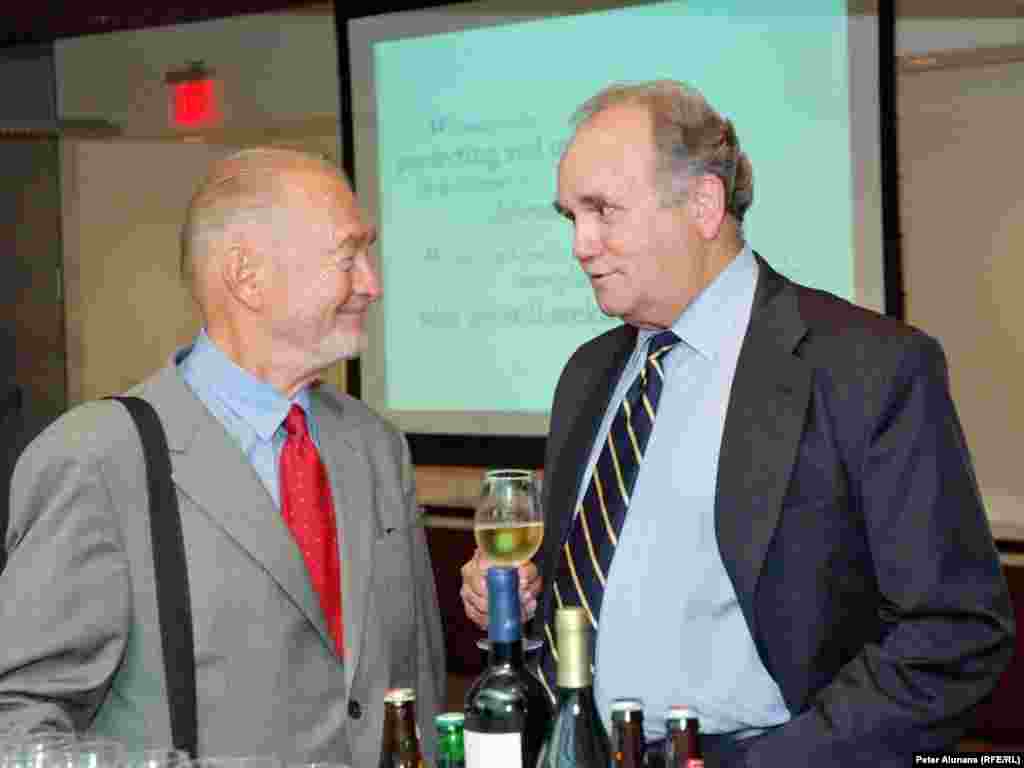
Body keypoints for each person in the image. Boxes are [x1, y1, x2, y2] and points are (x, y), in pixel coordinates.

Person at [461, 81, 1015, 766]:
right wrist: (509, 595)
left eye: (602, 210)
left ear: (702, 204)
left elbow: (953, 633)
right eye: (570, 215)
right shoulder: (588, 373)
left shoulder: (865, 367)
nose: (581, 244)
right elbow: (598, 580)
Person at [0, 148, 446, 766]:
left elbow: (414, 682)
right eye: (349, 256)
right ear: (247, 276)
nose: (370, 283)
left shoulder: (376, 446)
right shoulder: (99, 458)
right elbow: (17, 720)